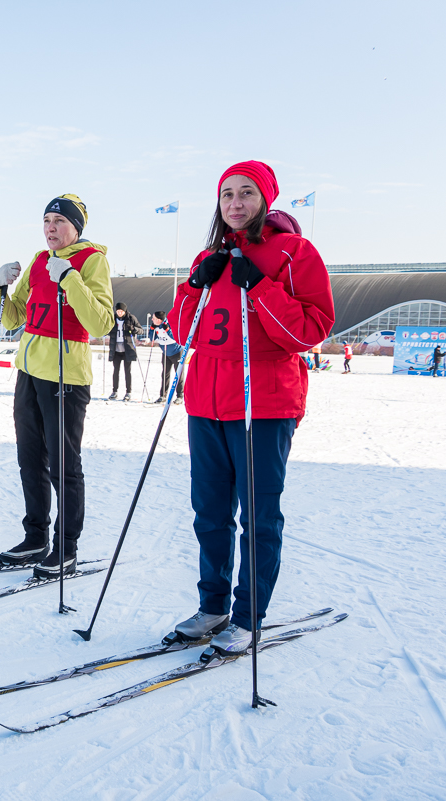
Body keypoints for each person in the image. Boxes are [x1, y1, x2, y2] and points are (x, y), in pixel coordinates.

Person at [166, 161, 334, 657]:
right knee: (210, 513)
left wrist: (259, 286)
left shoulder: (295, 252)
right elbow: (183, 331)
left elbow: (309, 330)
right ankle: (212, 605)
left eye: (246, 193)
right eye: (227, 194)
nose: (235, 203)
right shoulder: (209, 256)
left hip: (263, 403)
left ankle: (247, 615)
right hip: (206, 402)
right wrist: (195, 284)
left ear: (265, 199)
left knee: (259, 517)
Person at [0, 194, 114, 578]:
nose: (50, 228)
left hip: (66, 376)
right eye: (46, 220)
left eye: (59, 221)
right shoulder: (40, 260)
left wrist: (70, 277)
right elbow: (14, 317)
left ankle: (66, 548)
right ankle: (35, 537)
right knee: (30, 460)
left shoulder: (92, 260)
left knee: (64, 467)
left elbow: (101, 322)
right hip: (29, 371)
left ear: (76, 227)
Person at [150, 311, 185, 403]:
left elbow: (175, 337)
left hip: (177, 352)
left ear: (159, 319)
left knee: (178, 374)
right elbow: (151, 338)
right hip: (165, 353)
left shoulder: (169, 324)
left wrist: (167, 330)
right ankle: (163, 395)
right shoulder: (156, 326)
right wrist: (152, 329)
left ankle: (180, 396)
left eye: (154, 318)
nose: (152, 319)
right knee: (165, 374)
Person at [107, 301, 139, 401]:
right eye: (118, 311)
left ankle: (128, 392)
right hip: (116, 349)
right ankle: (114, 391)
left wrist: (133, 329)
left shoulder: (131, 318)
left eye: (121, 311)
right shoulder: (112, 319)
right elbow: (106, 329)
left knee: (127, 371)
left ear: (125, 311)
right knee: (115, 371)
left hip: (127, 350)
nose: (119, 313)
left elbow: (140, 330)